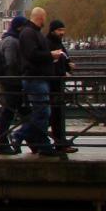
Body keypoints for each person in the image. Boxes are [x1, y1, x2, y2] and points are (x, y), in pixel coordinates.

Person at [11, 7, 61, 157]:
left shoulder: (33, 32)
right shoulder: (28, 33)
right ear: (40, 17)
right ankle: (19, 135)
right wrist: (50, 55)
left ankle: (43, 145)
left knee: (43, 112)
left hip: (39, 78)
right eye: (44, 18)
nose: (45, 21)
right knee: (43, 112)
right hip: (34, 78)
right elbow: (32, 54)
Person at [0, 15, 28, 155]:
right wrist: (21, 73)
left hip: (11, 82)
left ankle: (30, 141)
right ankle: (3, 143)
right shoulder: (12, 41)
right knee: (9, 113)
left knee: (20, 113)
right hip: (12, 83)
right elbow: (11, 62)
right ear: (20, 27)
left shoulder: (10, 39)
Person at [46, 20, 77, 153]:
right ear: (53, 31)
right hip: (52, 83)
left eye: (63, 30)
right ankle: (59, 143)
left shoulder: (59, 43)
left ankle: (60, 142)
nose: (62, 33)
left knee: (56, 116)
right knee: (54, 115)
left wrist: (69, 67)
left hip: (58, 82)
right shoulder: (48, 43)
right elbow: (49, 63)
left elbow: (64, 59)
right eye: (59, 30)